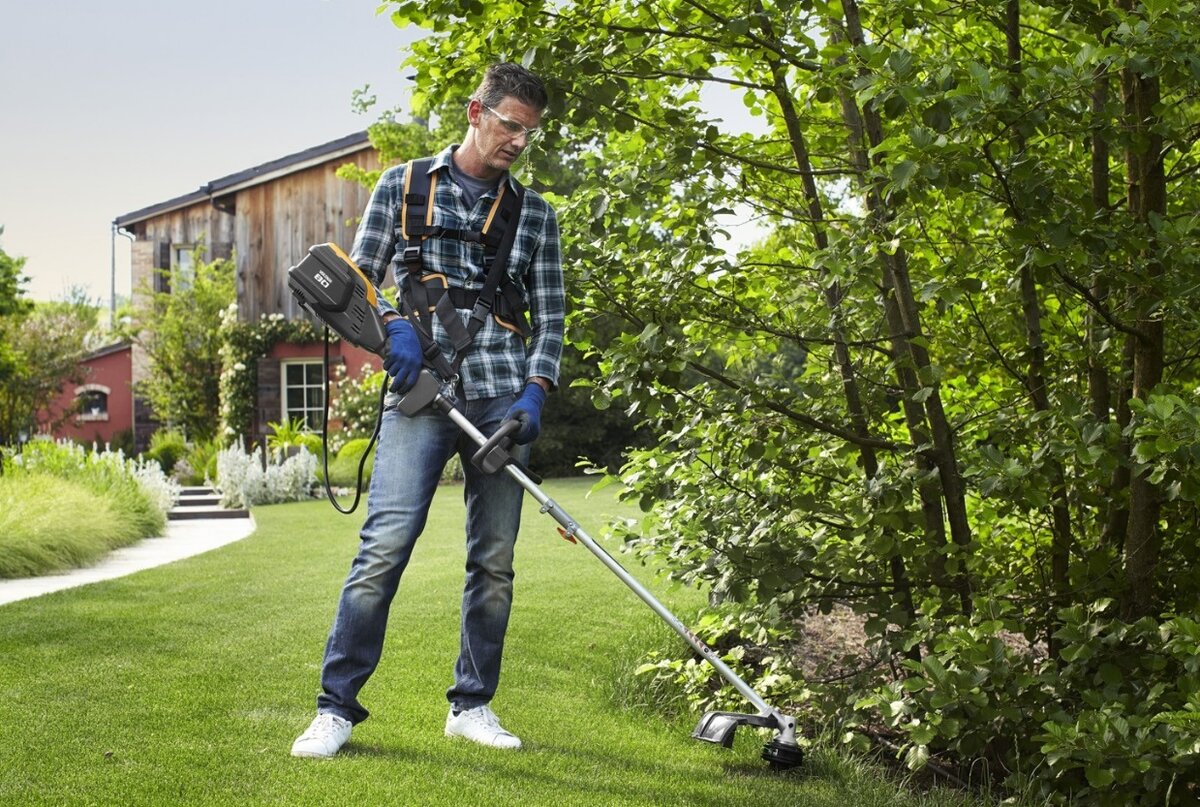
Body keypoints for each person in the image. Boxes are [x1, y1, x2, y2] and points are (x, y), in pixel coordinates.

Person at [291, 63, 564, 758]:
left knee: (494, 560)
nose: (518, 142)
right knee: (384, 548)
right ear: (476, 111)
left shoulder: (535, 215)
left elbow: (552, 318)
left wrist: (537, 391)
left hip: (502, 398)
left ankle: (472, 704)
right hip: (421, 393)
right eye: (509, 125)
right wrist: (392, 324)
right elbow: (354, 281)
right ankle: (335, 708)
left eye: (529, 133)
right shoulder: (403, 185)